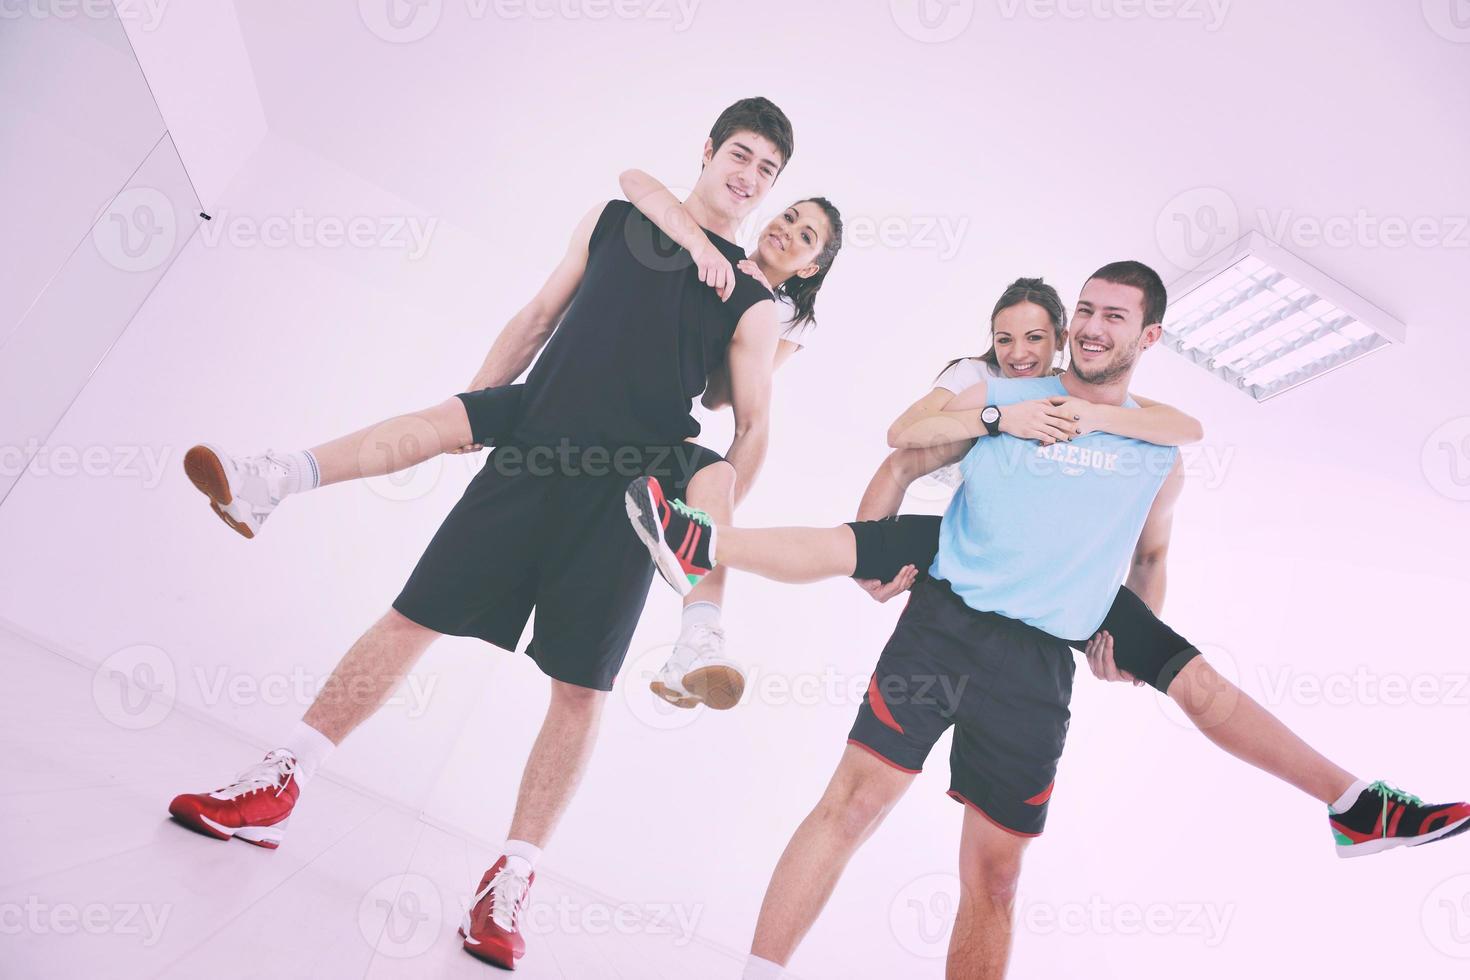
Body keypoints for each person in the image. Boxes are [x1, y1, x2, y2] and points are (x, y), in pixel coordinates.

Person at [627, 263, 1470, 978]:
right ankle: (704, 543)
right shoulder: (1007, 390)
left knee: (996, 877)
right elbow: (906, 445)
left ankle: (1355, 803)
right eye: (1087, 313)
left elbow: (1151, 557)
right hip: (947, 624)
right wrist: (886, 540)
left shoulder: (1159, 450)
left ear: (1150, 339)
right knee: (848, 806)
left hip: (1042, 668)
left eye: (1116, 317)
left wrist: (1131, 648)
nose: (1093, 328)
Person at [166, 96, 795, 971]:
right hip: (535, 439)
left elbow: (754, 428)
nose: (748, 174)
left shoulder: (753, 302)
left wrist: (709, 530)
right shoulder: (618, 219)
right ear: (710, 148)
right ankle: (279, 778)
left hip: (625, 488)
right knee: (408, 619)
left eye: (768, 168)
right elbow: (539, 315)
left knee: (580, 692)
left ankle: (510, 880)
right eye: (740, 152)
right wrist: (477, 407)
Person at [179, 173, 842, 714]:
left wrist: (758, 318)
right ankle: (274, 478)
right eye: (788, 214)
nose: (786, 227)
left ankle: (699, 632)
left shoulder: (767, 310)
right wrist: (701, 249)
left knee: (714, 483)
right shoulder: (662, 229)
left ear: (813, 266)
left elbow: (731, 404)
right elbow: (637, 183)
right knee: (447, 417)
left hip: (643, 442)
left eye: (805, 234)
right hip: (557, 403)